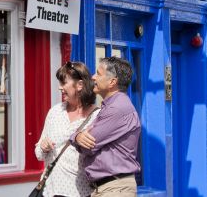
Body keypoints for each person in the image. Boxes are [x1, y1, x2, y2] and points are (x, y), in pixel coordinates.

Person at [71, 57, 140, 197]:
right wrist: (77, 136)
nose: (93, 77)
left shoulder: (116, 109)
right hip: (109, 188)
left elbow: (88, 145)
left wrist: (77, 137)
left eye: (98, 73)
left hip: (114, 189)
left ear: (112, 82)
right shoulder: (112, 106)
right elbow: (82, 138)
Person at [35, 61, 100, 197]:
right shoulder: (55, 112)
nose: (60, 88)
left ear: (80, 85)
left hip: (79, 192)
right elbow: (39, 153)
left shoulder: (97, 116)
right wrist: (43, 146)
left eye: (64, 83)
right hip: (49, 190)